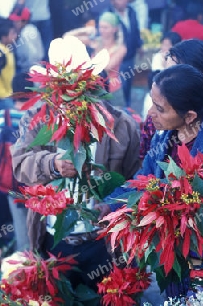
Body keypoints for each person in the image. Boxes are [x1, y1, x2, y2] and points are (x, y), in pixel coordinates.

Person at [104, 64, 203, 298]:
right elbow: (143, 181)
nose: (151, 114)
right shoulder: (166, 137)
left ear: (190, 116)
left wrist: (179, 237)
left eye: (160, 109)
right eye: (152, 103)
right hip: (179, 261)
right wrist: (109, 206)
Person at [11, 83, 141, 291]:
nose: (69, 100)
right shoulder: (38, 118)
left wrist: (112, 205)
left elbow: (136, 182)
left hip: (103, 245)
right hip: (55, 242)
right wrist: (53, 164)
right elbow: (20, 164)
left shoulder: (121, 124)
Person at [0, 73, 30, 251]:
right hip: (35, 184)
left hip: (11, 181)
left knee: (20, 228)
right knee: (39, 229)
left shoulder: (1, 116)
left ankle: (24, 270)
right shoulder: (39, 117)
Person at [106, 0, 142, 107]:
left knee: (128, 82)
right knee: (120, 85)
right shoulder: (108, 15)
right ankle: (121, 109)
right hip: (117, 58)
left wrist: (139, 45)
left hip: (131, 55)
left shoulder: (131, 11)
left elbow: (136, 29)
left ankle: (128, 107)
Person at [9, 5, 44, 74]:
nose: (14, 23)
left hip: (32, 71)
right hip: (31, 69)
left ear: (24, 21)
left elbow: (32, 56)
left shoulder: (26, 33)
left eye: (17, 21)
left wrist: (28, 73)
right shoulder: (28, 29)